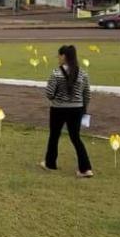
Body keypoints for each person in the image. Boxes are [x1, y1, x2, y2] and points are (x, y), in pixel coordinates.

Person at [42, 45, 93, 177]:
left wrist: (57, 99)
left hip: (58, 109)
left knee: (54, 136)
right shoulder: (83, 73)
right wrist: (82, 107)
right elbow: (87, 94)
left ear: (63, 56)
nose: (58, 59)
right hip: (77, 110)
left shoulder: (56, 73)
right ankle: (85, 168)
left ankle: (50, 163)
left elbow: (49, 93)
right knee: (75, 138)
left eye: (59, 56)